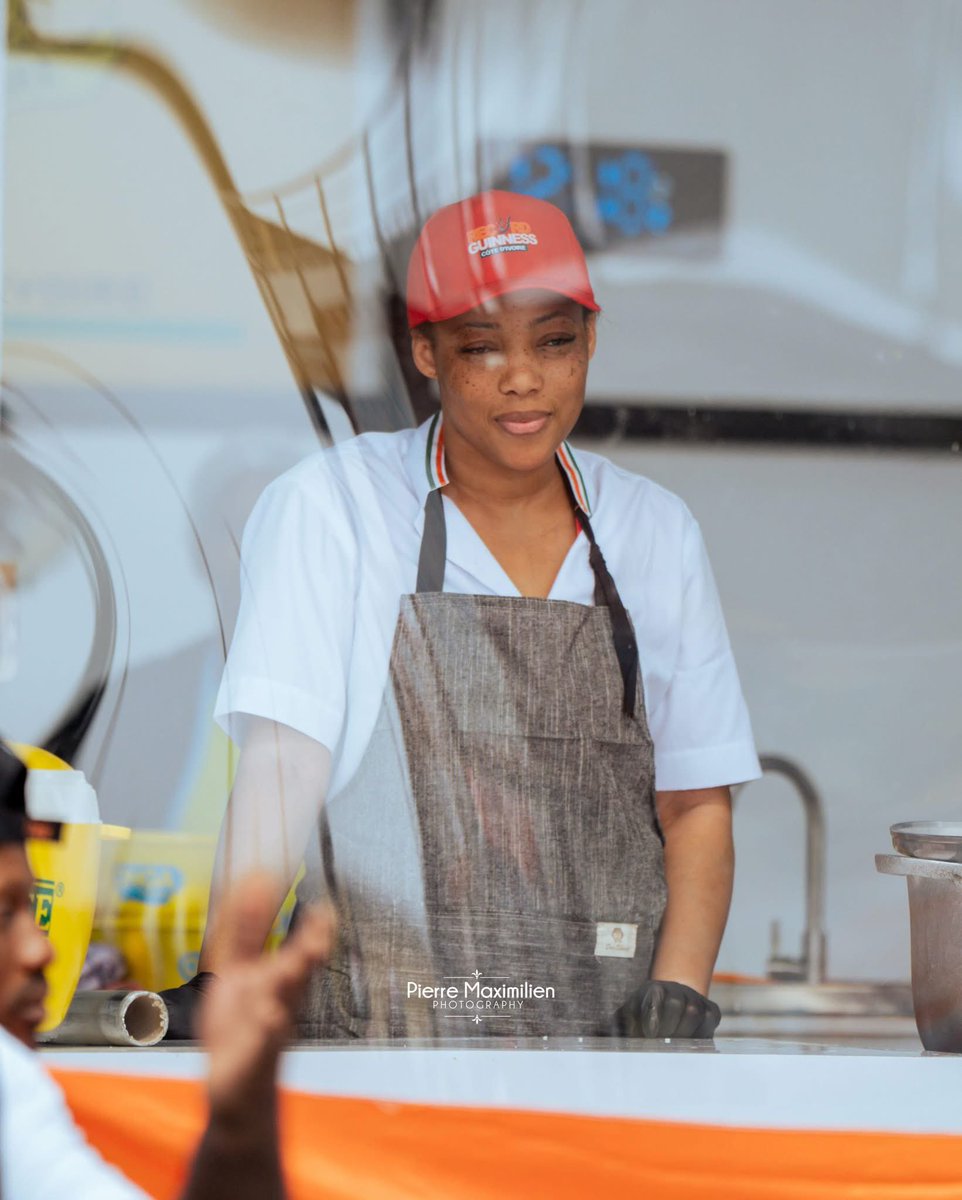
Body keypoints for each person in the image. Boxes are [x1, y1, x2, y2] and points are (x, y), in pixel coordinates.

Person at [178, 189, 760, 1041]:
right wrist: (223, 974)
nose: (523, 378)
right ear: (425, 351)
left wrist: (677, 990)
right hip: (380, 1028)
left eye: (554, 342)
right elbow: (283, 768)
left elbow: (696, 800)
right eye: (482, 347)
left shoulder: (654, 530)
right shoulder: (335, 506)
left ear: (590, 340)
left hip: (603, 1043)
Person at [0, 741, 333, 1199]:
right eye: (4, 915)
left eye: (32, 907)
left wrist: (240, 1115)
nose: (40, 948)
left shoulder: (12, 1093)